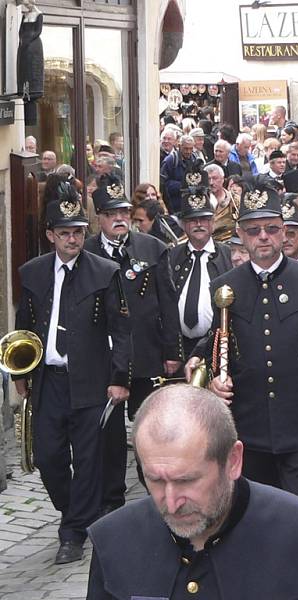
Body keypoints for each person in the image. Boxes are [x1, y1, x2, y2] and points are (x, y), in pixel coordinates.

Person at [86, 385, 298, 599]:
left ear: (233, 461)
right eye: (154, 480)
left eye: (187, 481)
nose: (171, 502)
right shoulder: (112, 541)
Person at [186, 183, 298, 503]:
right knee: (254, 511)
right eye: (254, 230)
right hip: (248, 423)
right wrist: (203, 369)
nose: (263, 236)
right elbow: (217, 339)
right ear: (241, 235)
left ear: (285, 231)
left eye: (272, 229)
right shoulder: (225, 287)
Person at [14, 185, 131, 564]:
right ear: (51, 235)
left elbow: (122, 330)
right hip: (48, 380)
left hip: (91, 380)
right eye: (64, 232)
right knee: (47, 457)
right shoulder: (32, 273)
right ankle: (75, 511)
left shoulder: (105, 272)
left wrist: (119, 378)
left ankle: (73, 534)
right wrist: (22, 372)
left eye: (78, 232)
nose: (72, 239)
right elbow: (25, 326)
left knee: (87, 459)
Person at [85, 173, 182, 510]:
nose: (120, 220)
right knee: (109, 436)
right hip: (105, 361)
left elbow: (168, 302)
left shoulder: (152, 248)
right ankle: (112, 499)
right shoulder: (86, 252)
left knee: (150, 429)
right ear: (99, 218)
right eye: (112, 214)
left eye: (124, 213)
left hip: (146, 353)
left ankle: (156, 490)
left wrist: (173, 351)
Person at [169, 170, 233, 357]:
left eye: (204, 219)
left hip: (217, 347)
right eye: (192, 220)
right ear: (184, 224)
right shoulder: (172, 256)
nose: (199, 224)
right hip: (179, 348)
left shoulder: (227, 255)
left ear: (213, 222)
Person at [160, 135, 202, 213]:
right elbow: (163, 184)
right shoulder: (170, 161)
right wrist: (184, 185)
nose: (188, 152)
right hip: (174, 206)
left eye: (191, 149)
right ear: (179, 146)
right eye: (186, 148)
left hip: (191, 206)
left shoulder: (195, 160)